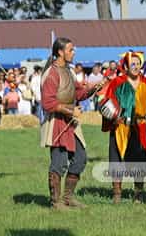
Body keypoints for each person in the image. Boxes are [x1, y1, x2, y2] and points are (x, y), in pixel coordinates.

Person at [99, 51, 146, 204]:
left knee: (140, 160)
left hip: (140, 126)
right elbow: (107, 102)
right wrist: (114, 117)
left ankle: (139, 193)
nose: (136, 67)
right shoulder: (117, 82)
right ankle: (117, 193)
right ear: (126, 66)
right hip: (121, 127)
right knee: (116, 160)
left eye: (138, 64)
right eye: (132, 64)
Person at [40, 37, 93, 210]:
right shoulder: (52, 73)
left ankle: (68, 198)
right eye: (70, 49)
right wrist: (71, 111)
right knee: (59, 162)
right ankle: (56, 202)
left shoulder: (69, 71)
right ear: (60, 52)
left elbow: (79, 94)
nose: (73, 52)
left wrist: (94, 87)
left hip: (70, 123)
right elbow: (47, 103)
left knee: (80, 158)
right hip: (57, 123)